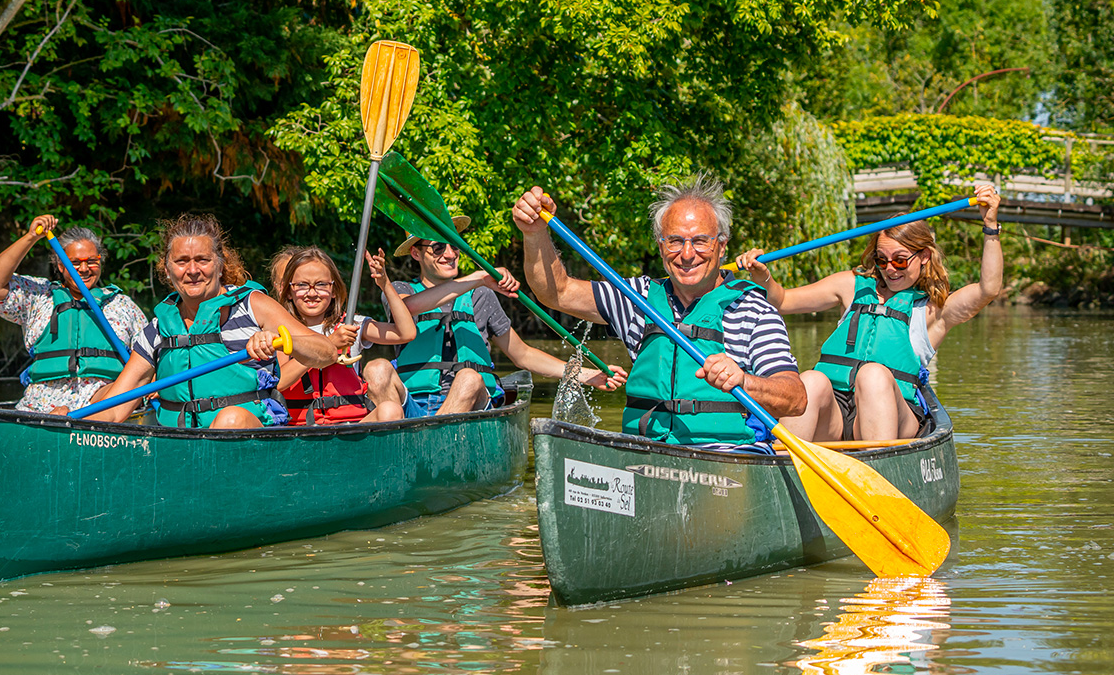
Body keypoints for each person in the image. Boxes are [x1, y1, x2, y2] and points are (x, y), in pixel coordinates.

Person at [514, 177, 805, 446]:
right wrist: (535, 233)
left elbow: (795, 399)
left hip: (727, 454)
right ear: (660, 245)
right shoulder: (636, 297)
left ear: (721, 245)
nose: (687, 254)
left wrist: (743, 380)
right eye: (675, 241)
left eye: (700, 241)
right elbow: (556, 292)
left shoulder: (754, 309)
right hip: (645, 451)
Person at [734, 182, 1003, 442]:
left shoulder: (933, 310)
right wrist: (763, 276)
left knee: (873, 375)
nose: (890, 269)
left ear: (923, 257)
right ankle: (780, 470)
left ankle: (878, 471)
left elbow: (988, 289)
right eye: (882, 260)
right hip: (836, 416)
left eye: (900, 260)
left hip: (894, 418)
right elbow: (783, 301)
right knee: (811, 380)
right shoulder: (851, 286)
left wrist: (990, 226)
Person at [83, 214, 339, 428]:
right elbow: (114, 410)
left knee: (230, 418)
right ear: (166, 268)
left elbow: (326, 352)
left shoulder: (252, 306)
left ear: (219, 263)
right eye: (182, 261)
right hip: (184, 449)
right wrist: (66, 427)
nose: (192, 270)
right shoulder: (157, 332)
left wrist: (283, 340)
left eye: (202, 260)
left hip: (250, 442)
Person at [363, 217, 597, 417]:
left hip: (472, 403)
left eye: (454, 246)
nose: (450, 254)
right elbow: (408, 307)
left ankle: (430, 443)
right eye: (438, 248)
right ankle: (402, 443)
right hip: (413, 404)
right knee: (376, 368)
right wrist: (477, 277)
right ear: (416, 253)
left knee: (469, 378)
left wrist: (584, 374)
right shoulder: (399, 289)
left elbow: (522, 354)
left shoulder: (480, 295)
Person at [0, 213, 145, 413]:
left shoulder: (121, 305)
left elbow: (149, 357)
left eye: (92, 261)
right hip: (44, 400)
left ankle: (85, 421)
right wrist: (31, 237)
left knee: (134, 385)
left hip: (102, 398)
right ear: (61, 266)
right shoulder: (39, 296)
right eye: (75, 263)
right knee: (58, 412)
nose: (84, 269)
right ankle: (59, 421)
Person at [273, 246, 411, 425]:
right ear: (289, 292)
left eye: (321, 285)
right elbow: (280, 381)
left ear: (334, 291)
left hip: (351, 425)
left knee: (390, 410)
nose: (312, 293)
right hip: (302, 428)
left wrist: (385, 285)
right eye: (302, 285)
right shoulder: (281, 330)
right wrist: (329, 345)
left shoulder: (350, 326)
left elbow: (405, 332)